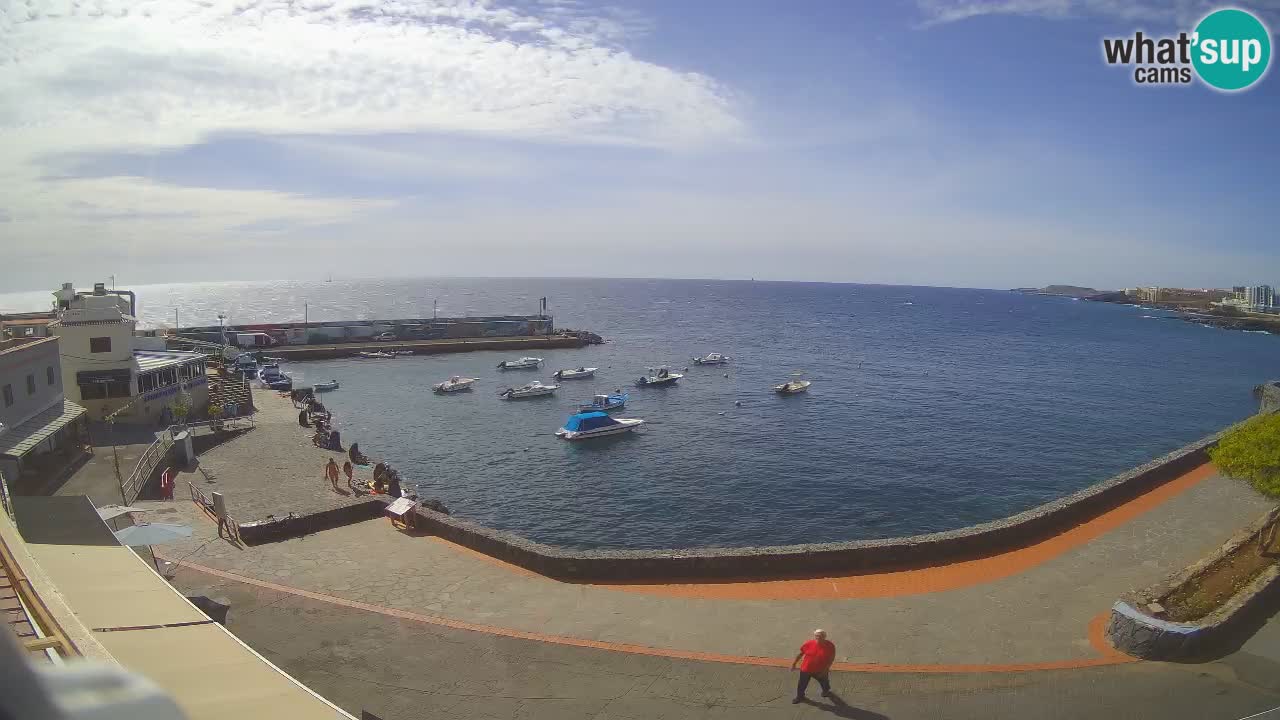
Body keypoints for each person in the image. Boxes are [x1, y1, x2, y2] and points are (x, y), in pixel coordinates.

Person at [791, 629, 835, 703]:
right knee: (802, 684)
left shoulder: (830, 645)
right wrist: (794, 663)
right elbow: (801, 653)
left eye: (820, 636)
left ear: (825, 636)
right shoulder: (809, 643)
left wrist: (826, 669)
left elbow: (831, 658)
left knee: (824, 681)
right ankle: (800, 697)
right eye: (816, 636)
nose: (818, 637)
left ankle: (826, 691)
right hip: (806, 669)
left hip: (820, 670)